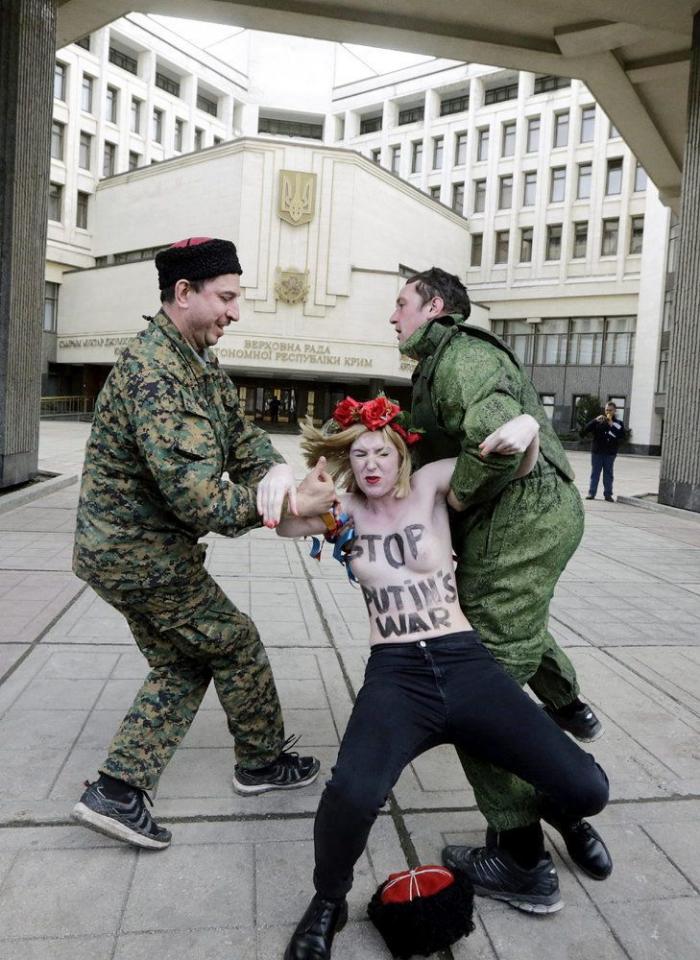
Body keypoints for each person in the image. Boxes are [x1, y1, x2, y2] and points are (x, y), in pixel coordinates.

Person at [277, 397, 609, 960]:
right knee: (351, 794)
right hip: (397, 676)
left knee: (588, 789)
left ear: (401, 453)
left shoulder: (429, 486)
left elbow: (516, 467)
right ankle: (327, 902)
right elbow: (286, 523)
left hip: (465, 663)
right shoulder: (342, 512)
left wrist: (528, 431)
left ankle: (557, 808)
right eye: (358, 454)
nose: (370, 463)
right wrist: (285, 486)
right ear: (347, 461)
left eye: (381, 451)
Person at [71, 237, 331, 850]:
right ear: (183, 294)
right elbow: (196, 498)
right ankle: (260, 764)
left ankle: (119, 789)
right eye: (227, 297)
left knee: (185, 657)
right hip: (138, 555)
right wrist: (284, 508)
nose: (235, 312)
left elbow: (239, 434)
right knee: (234, 641)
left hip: (133, 553)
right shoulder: (155, 374)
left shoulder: (195, 361)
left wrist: (272, 469)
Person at [390, 267, 612, 908]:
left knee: (473, 686)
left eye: (402, 303)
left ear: (434, 307)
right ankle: (568, 734)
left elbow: (495, 437)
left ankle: (521, 854)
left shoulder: (462, 356)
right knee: (513, 630)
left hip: (519, 523)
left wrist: (455, 494)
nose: (393, 316)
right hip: (522, 526)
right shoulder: (434, 367)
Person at [581, 401, 626, 501]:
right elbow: (584, 430)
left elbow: (622, 437)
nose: (608, 412)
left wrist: (612, 425)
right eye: (606, 410)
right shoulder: (599, 421)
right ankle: (591, 493)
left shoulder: (618, 423)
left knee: (608, 474)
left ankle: (608, 494)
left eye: (610, 410)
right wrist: (594, 421)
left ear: (615, 411)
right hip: (597, 452)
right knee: (595, 473)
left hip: (610, 453)